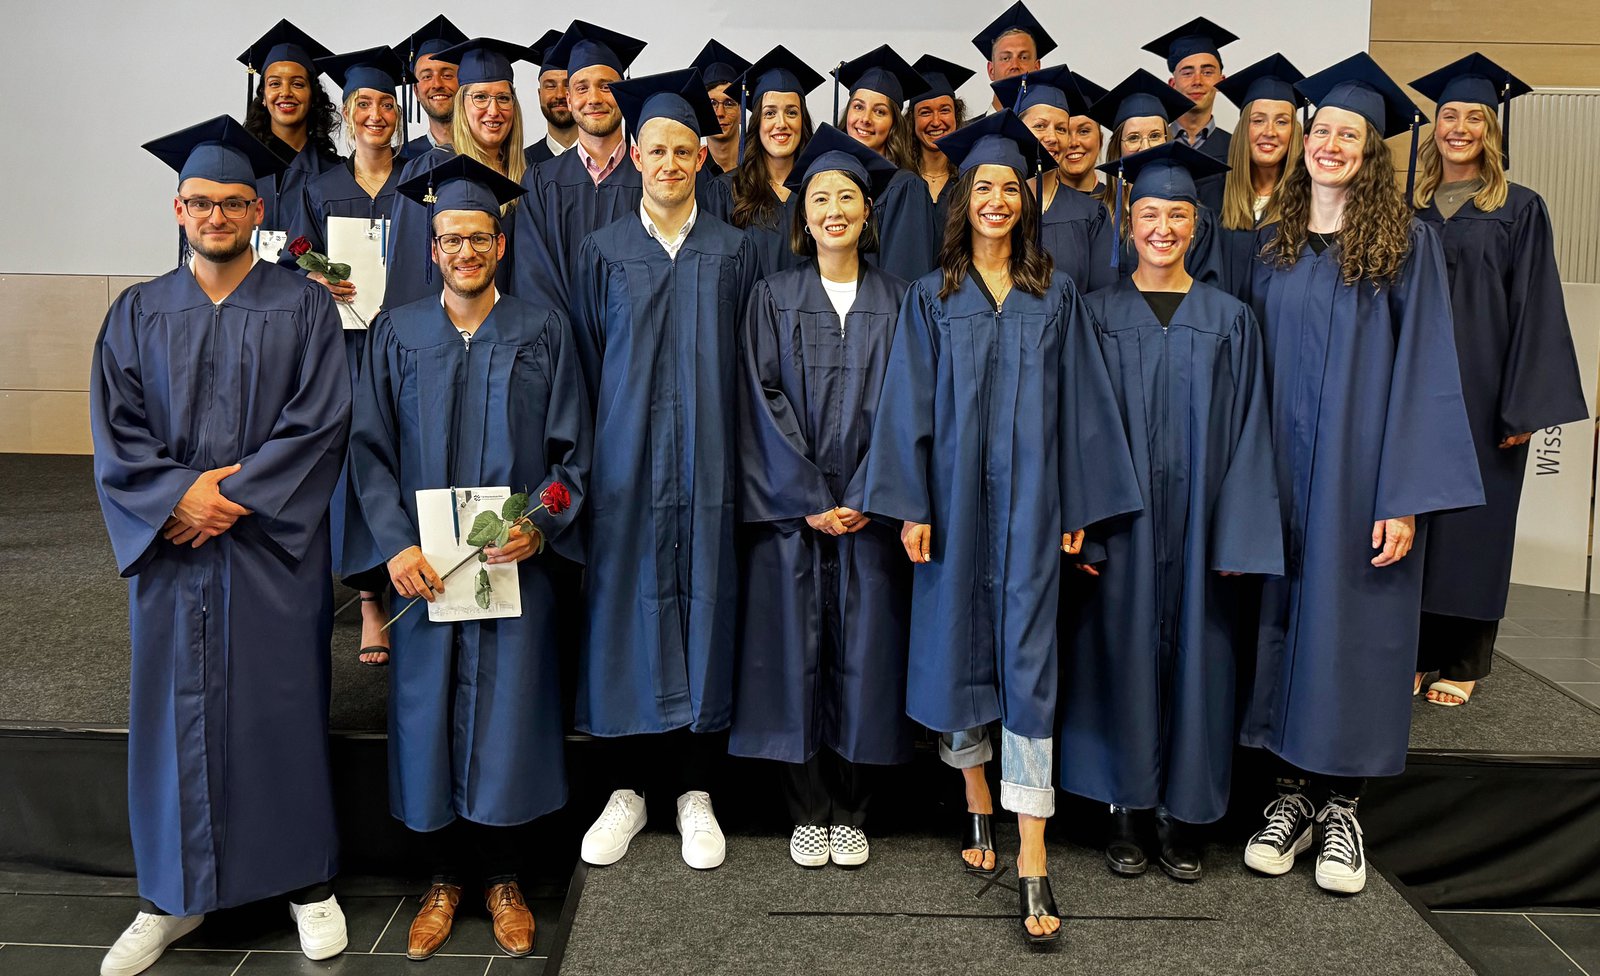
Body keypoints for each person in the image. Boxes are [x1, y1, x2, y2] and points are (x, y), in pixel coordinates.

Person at [862, 111, 1142, 944]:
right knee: (955, 655)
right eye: (980, 186)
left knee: (1028, 663)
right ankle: (976, 805)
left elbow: (1083, 408)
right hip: (949, 507)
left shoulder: (1055, 296)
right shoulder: (929, 295)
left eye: (1008, 188)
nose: (994, 199)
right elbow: (906, 403)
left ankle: (1031, 849)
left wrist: (1074, 510)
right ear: (964, 202)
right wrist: (911, 501)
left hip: (1029, 513)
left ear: (1026, 201)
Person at [93, 116, 351, 976]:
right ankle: (170, 896)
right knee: (171, 720)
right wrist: (178, 499)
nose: (215, 215)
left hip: (270, 552)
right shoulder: (136, 312)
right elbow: (117, 436)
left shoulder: (304, 304)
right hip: (172, 552)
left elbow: (319, 424)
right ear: (177, 207)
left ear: (256, 208)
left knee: (279, 710)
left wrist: (225, 497)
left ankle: (307, 883)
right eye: (200, 202)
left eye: (233, 202)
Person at [1238, 53, 1485, 896]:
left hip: (1359, 480)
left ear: (1372, 150)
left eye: (1349, 134)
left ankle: (1342, 807)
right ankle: (1289, 798)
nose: (1330, 144)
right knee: (1281, 622)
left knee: (1355, 630)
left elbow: (1428, 373)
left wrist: (1405, 499)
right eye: (1323, 132)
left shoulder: (1406, 245)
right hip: (1277, 476)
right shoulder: (1275, 245)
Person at [348, 155, 589, 961]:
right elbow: (369, 453)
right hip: (424, 573)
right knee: (426, 717)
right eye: (450, 237)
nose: (464, 250)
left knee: (509, 718)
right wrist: (395, 546)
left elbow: (571, 462)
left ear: (500, 242)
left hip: (510, 568)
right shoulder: (397, 333)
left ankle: (505, 880)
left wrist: (543, 526)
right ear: (432, 248)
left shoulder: (541, 331)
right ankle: (443, 880)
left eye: (478, 236)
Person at [1059, 142, 1280, 883]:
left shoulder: (1231, 320)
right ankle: (1125, 808)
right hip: (1122, 523)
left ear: (1197, 226)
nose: (1162, 226)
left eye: (1177, 214)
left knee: (1202, 660)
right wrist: (1085, 517)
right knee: (1115, 655)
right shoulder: (1094, 316)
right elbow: (1076, 424)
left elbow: (1253, 431)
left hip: (1202, 526)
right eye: (1149, 212)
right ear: (1129, 222)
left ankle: (1181, 815)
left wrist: (1239, 533)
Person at [567, 70, 758, 872]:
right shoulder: (600, 252)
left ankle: (695, 792)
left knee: (705, 610)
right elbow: (584, 360)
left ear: (704, 158)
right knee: (625, 615)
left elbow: (750, 367)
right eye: (659, 149)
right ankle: (627, 790)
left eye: (686, 149)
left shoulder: (738, 251)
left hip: (710, 465)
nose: (672, 162)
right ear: (635, 154)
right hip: (625, 467)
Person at [731, 126, 911, 869]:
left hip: (870, 516)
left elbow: (911, 404)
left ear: (867, 212)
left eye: (847, 197)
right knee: (792, 649)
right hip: (795, 516)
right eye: (819, 198)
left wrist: (872, 491)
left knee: (867, 654)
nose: (833, 210)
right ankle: (806, 807)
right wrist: (805, 493)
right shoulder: (773, 297)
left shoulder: (901, 301)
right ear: (801, 217)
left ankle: (853, 806)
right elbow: (759, 395)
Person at [1408, 53, 1589, 706]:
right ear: (1434, 126)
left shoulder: (1520, 208)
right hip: (1412, 394)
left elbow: (1537, 306)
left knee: (1473, 529)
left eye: (1473, 118)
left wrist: (1523, 406)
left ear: (1492, 130)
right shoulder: (1409, 205)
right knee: (1415, 521)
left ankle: (1463, 659)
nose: (1458, 127)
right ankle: (1416, 652)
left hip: (1485, 394)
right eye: (1448, 116)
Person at [280, 46, 407, 665]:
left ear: (398, 111)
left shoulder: (422, 184)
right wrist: (315, 279)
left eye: (386, 102)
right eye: (364, 104)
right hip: (346, 349)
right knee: (356, 465)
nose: (376, 114)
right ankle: (369, 601)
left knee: (410, 458)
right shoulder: (319, 188)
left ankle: (410, 581)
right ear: (349, 116)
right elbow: (290, 262)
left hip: (410, 350)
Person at [386, 37, 531, 309]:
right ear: (461, 105)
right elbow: (410, 267)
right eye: (480, 97)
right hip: (446, 333)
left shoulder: (530, 175)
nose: (494, 110)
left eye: (503, 98)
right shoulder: (428, 171)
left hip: (515, 331)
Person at [511, 20, 648, 311]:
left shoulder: (649, 177)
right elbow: (533, 279)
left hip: (635, 345)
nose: (594, 99)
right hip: (560, 348)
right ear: (570, 100)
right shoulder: (540, 182)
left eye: (606, 86)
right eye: (582, 88)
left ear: (624, 93)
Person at [992, 65, 1113, 292]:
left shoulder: (1091, 214)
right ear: (1018, 130)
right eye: (1040, 126)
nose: (1052, 137)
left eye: (1061, 129)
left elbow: (1102, 300)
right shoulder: (994, 208)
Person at [713, 45, 823, 278]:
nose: (781, 123)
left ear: (802, 121)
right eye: (770, 113)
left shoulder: (820, 189)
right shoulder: (728, 190)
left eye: (791, 112)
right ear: (757, 123)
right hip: (750, 314)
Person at [834, 45, 941, 282]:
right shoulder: (831, 179)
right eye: (858, 106)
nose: (865, 119)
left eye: (879, 112)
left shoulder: (905, 188)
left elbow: (904, 282)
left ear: (893, 124)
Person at [1086, 70, 1202, 277]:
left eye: (1155, 135)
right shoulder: (1096, 214)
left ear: (1168, 139)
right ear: (1117, 148)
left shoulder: (1194, 216)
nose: (1146, 147)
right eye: (1133, 138)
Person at [237, 20, 341, 244]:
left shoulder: (335, 173)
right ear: (263, 97)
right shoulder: (241, 167)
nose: (285, 93)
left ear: (312, 96)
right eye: (275, 84)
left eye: (297, 84)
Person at [1143, 17, 1237, 211]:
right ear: (1172, 84)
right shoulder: (1152, 145)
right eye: (1187, 73)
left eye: (1207, 72)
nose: (1197, 80)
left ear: (1221, 82)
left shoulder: (1238, 150)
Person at [1215, 55, 1305, 231]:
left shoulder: (1309, 201)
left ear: (1294, 131)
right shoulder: (1212, 197)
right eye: (1258, 120)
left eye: (1281, 122)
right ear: (1243, 129)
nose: (1269, 132)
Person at [394, 15, 467, 165]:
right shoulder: (399, 162)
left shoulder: (490, 152)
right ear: (415, 91)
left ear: (464, 84)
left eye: (447, 75)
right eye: (427, 76)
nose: (437, 84)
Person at [907, 55, 972, 222]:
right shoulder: (900, 181)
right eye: (925, 112)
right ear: (912, 120)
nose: (936, 122)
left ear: (956, 116)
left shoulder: (970, 178)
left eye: (944, 110)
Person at [971, 1, 1054, 114]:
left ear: (1037, 68)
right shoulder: (967, 131)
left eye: (1024, 57)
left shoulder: (1051, 130)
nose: (1015, 65)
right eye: (1005, 58)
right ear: (991, 70)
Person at [693, 39, 752, 176]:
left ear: (741, 111)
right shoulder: (690, 173)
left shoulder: (759, 170)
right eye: (712, 103)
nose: (720, 112)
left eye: (729, 103)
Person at [524, 29, 576, 168]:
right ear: (539, 94)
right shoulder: (521, 164)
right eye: (550, 86)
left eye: (568, 85)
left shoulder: (605, 162)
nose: (559, 95)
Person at [1060, 72, 1108, 195]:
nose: (1074, 143)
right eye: (1063, 131)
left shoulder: (1119, 206)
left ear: (1100, 140)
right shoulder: (1035, 207)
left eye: (1084, 131)